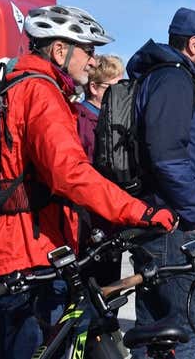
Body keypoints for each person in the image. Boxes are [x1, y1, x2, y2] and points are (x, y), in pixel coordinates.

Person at [0, 5, 176, 359]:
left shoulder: (18, 85)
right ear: (60, 50)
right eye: (88, 49)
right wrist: (140, 212)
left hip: (9, 250)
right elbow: (70, 173)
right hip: (29, 257)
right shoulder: (41, 93)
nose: (92, 60)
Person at [126, 7, 195, 359]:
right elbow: (167, 153)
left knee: (152, 330)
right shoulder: (174, 79)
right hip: (175, 225)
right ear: (193, 43)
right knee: (188, 330)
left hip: (157, 218)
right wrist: (194, 210)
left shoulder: (159, 76)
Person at [75, 54, 126, 287]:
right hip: (87, 221)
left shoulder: (115, 122)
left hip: (110, 218)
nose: (121, 96)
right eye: (114, 88)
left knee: (109, 292)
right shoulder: (80, 119)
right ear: (94, 87)